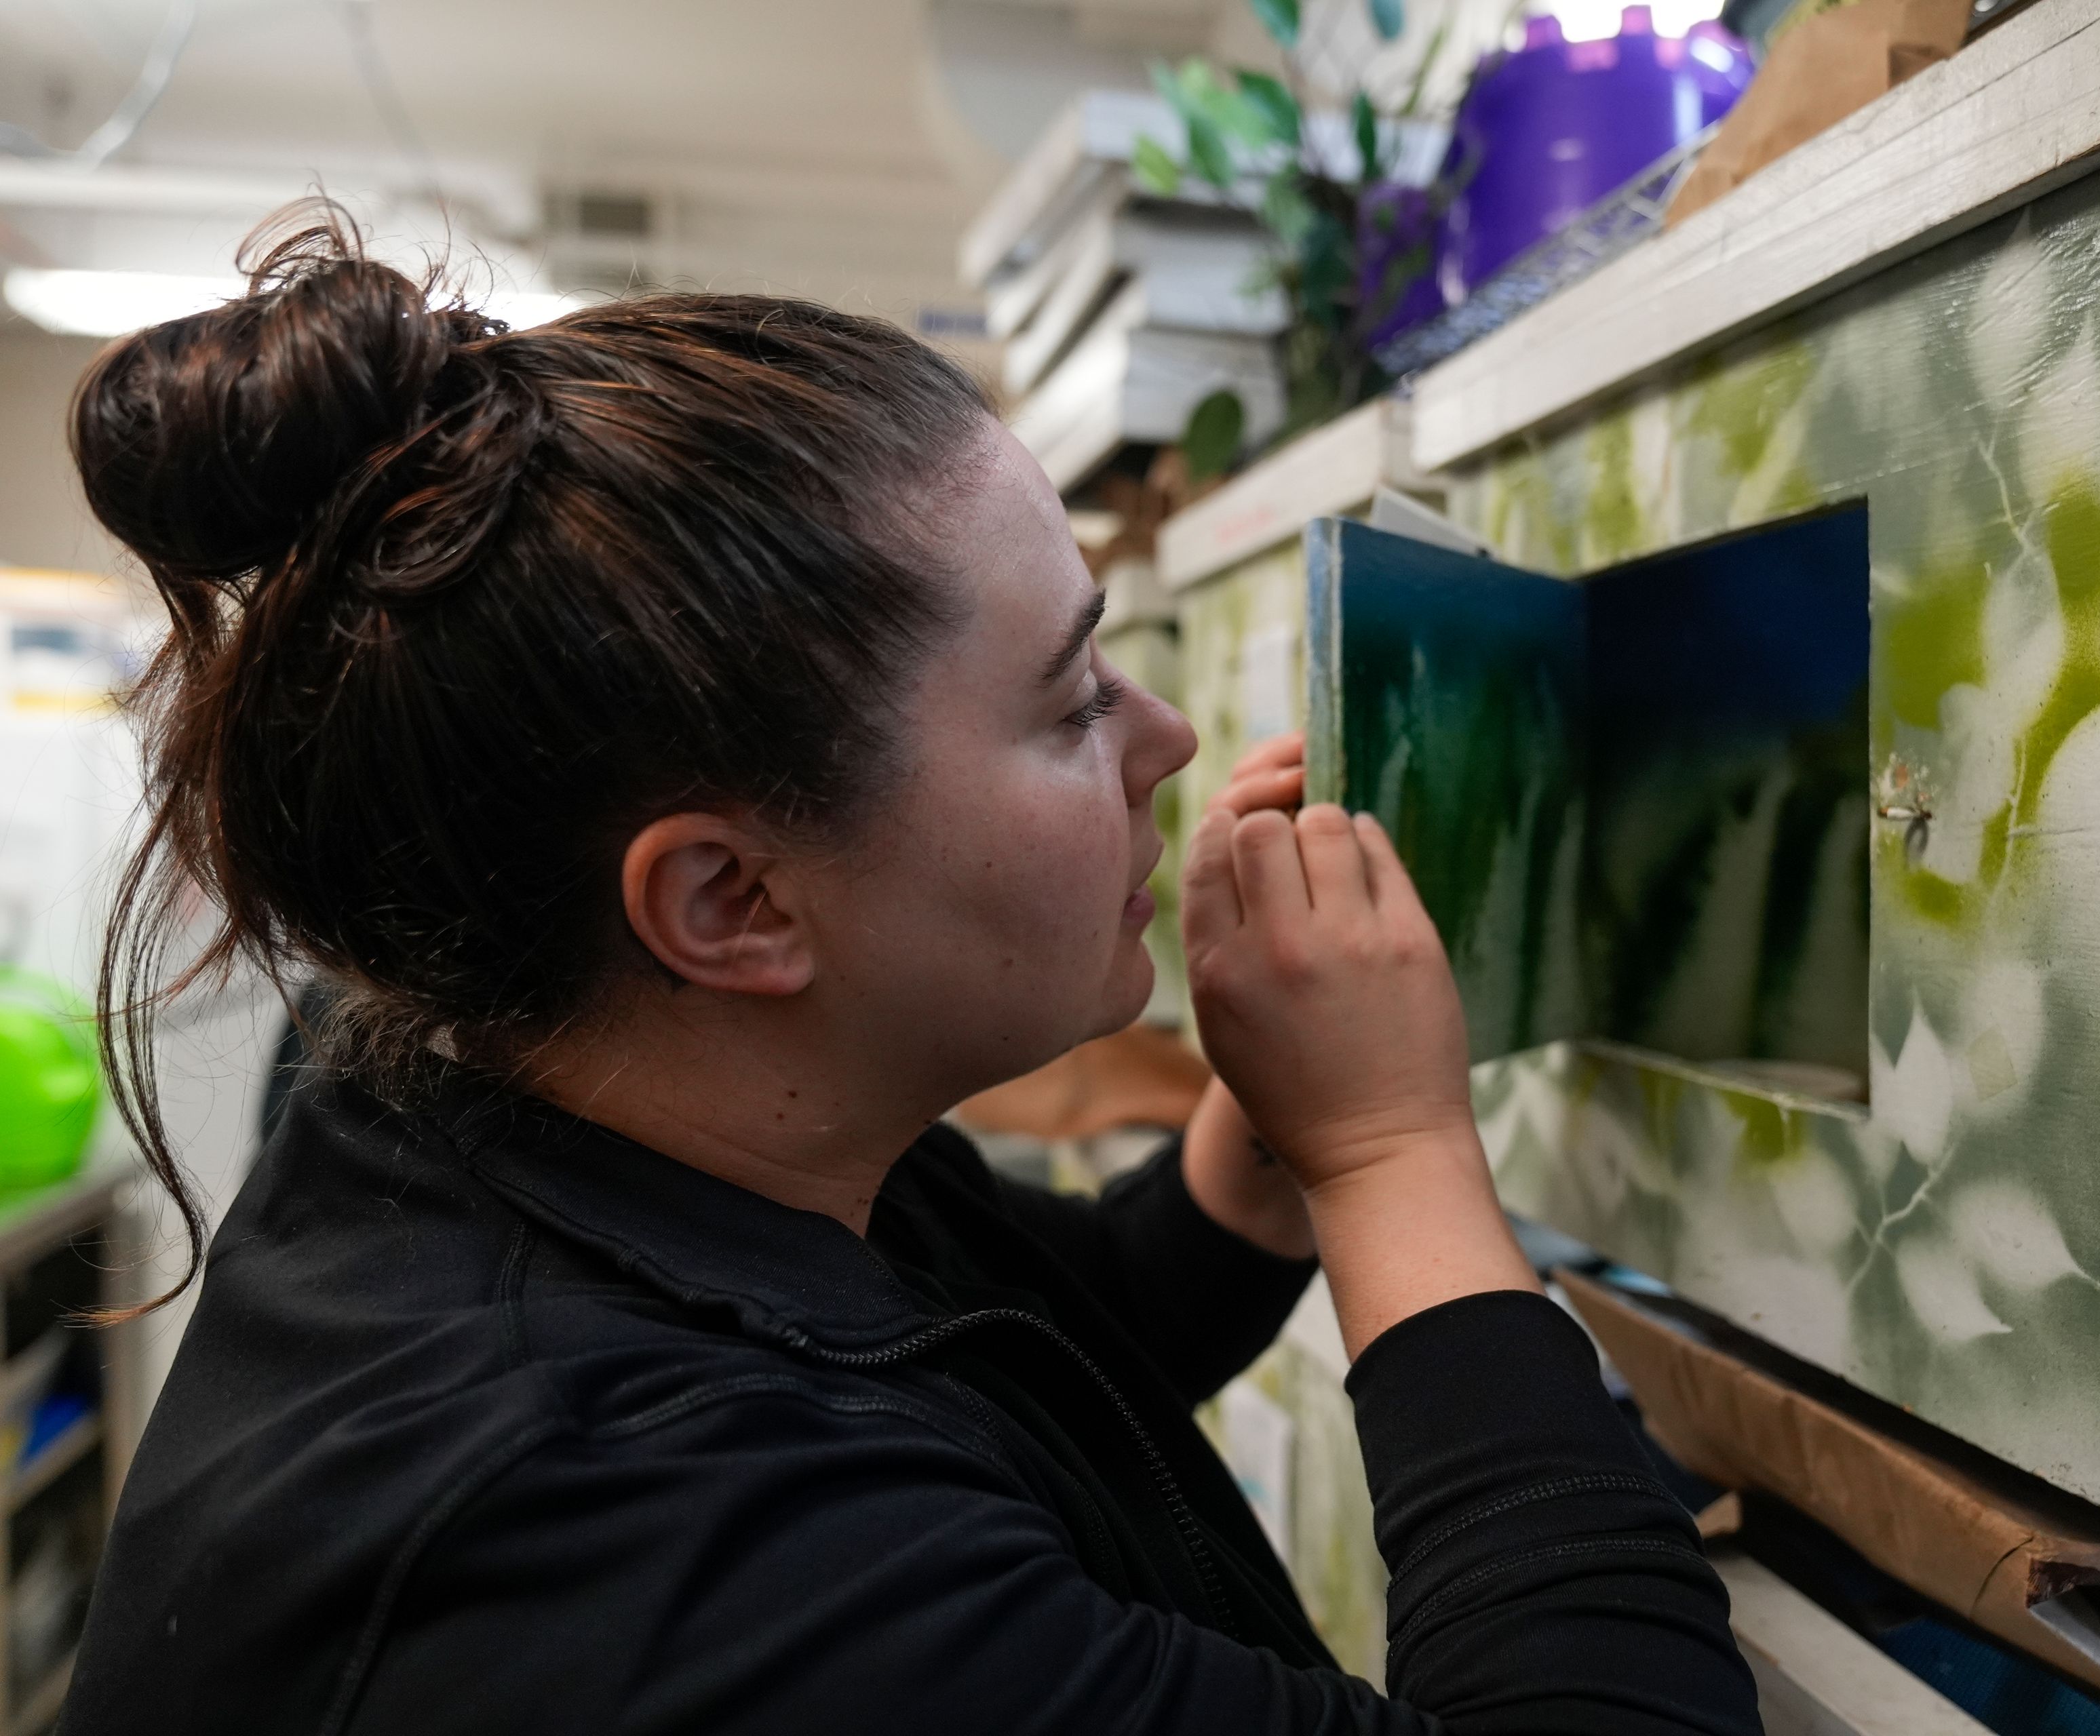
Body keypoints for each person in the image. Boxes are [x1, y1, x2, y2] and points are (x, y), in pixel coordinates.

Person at [60, 208, 1761, 1735]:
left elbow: (1021, 1335)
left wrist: (1277, 1122)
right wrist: (1398, 1151)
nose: (1164, 737)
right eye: (1072, 699)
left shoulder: (554, 1098)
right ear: (730, 901)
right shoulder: (650, 1554)